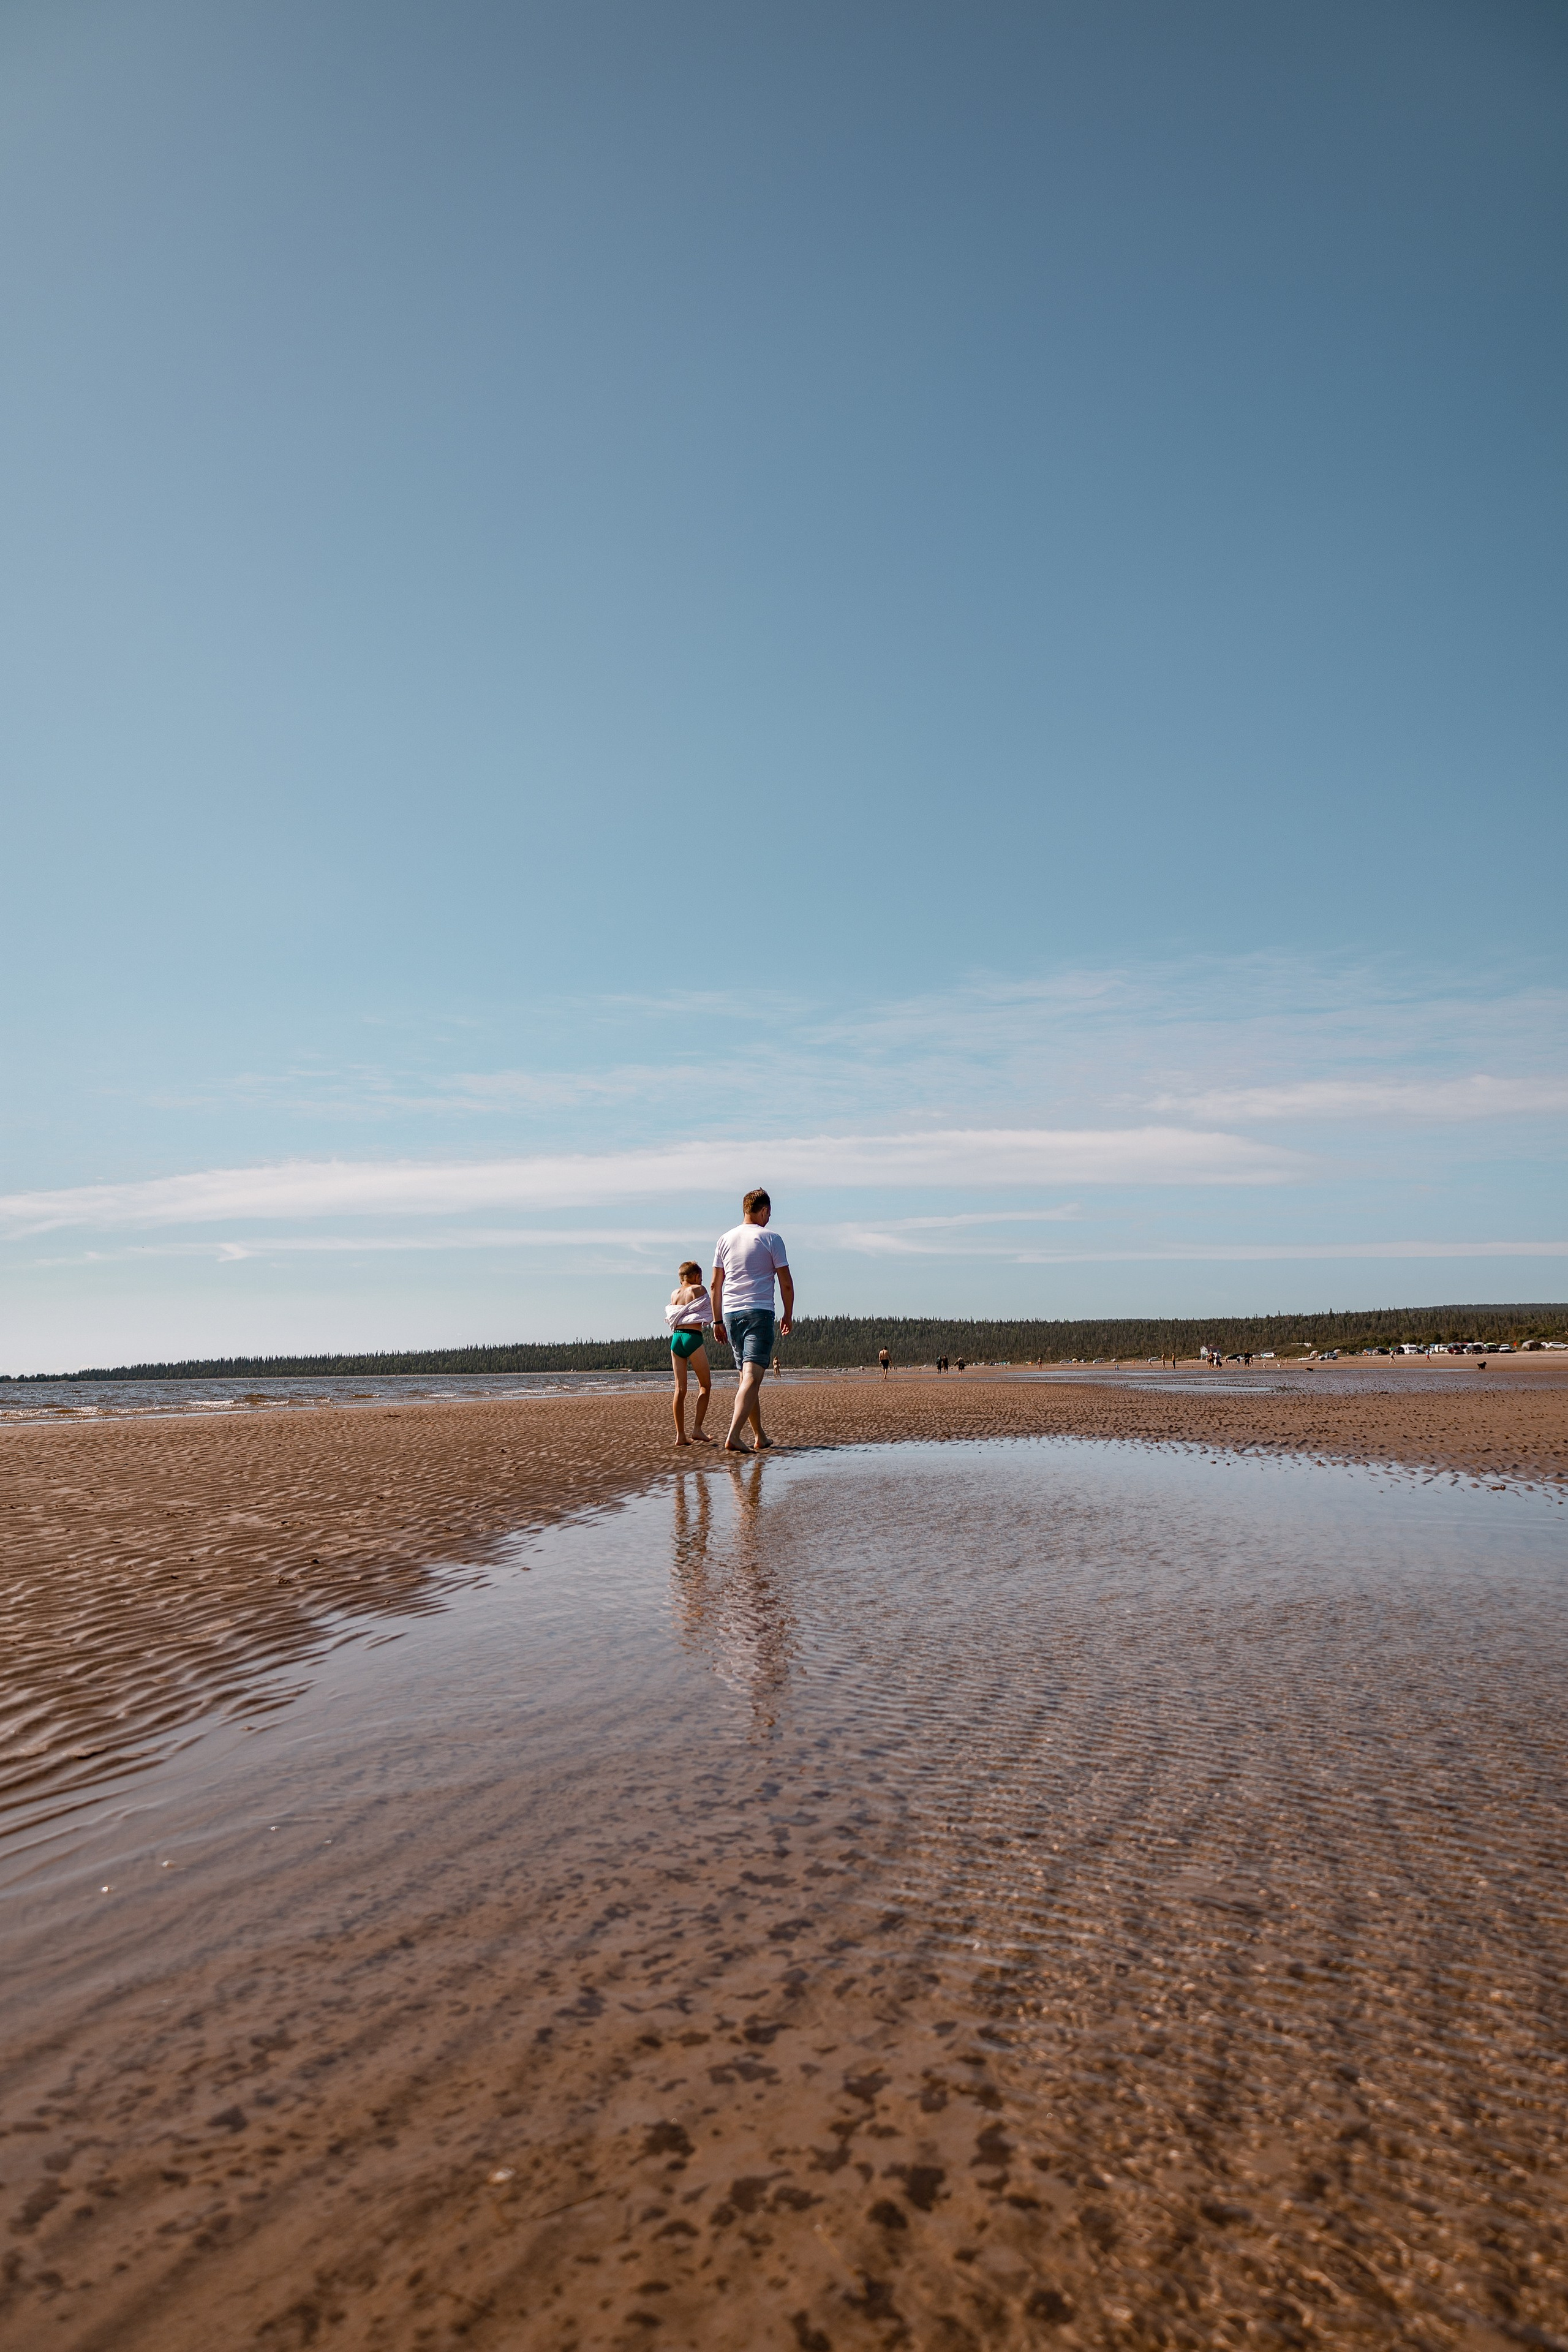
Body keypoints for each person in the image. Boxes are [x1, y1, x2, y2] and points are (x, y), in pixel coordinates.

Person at [711, 1188, 793, 1454]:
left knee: (747, 1378)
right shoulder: (771, 1238)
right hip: (758, 1312)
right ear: (764, 1211)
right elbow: (786, 1283)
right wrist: (788, 1314)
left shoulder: (724, 1239)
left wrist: (717, 1321)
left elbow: (715, 1285)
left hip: (732, 1315)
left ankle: (759, 1435)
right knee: (752, 1378)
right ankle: (734, 1435)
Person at [664, 1260, 713, 1447]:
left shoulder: (674, 1294)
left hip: (676, 1339)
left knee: (680, 1389)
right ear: (697, 1277)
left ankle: (680, 1435)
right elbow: (708, 1310)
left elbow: (674, 1314)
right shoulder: (698, 1290)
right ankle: (697, 1429)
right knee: (705, 1385)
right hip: (692, 1337)